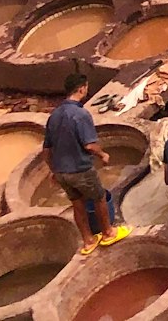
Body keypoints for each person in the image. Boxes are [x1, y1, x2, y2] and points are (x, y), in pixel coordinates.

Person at [45, 73, 127, 254]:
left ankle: (88, 241)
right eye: (86, 88)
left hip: (62, 172)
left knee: (77, 203)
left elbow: (47, 149)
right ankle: (107, 232)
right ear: (81, 88)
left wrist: (53, 170)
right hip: (80, 168)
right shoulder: (80, 114)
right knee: (99, 198)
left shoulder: (54, 116)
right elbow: (89, 144)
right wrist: (103, 154)